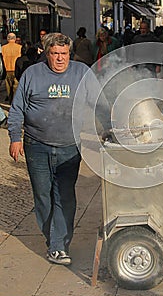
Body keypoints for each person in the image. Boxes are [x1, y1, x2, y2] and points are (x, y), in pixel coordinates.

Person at [8, 32, 103, 265]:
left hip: (69, 146)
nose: (60, 59)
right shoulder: (32, 74)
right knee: (42, 197)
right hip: (36, 145)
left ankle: (59, 244)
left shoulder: (82, 73)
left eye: (64, 54)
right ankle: (54, 240)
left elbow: (99, 102)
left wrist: (109, 127)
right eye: (54, 54)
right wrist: (14, 137)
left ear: (70, 54)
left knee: (65, 196)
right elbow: (17, 108)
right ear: (46, 54)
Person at [1, 32, 22, 103]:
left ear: (7, 39)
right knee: (15, 89)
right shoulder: (19, 47)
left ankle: (10, 101)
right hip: (16, 70)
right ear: (15, 39)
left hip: (7, 70)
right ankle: (14, 103)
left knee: (8, 89)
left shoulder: (3, 48)